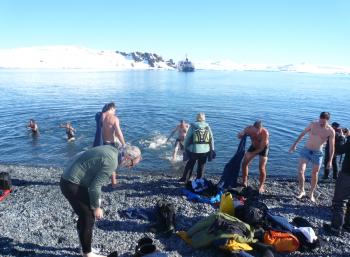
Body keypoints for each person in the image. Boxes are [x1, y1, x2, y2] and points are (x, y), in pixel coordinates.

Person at [60, 144, 141, 257]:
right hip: (71, 184)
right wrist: (97, 207)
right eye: (131, 164)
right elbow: (95, 187)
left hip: (69, 179)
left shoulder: (113, 150)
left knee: (84, 215)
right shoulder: (112, 162)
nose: (130, 167)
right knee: (89, 216)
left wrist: (95, 202)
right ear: (127, 157)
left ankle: (84, 247)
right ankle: (87, 253)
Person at [289, 112, 335, 202]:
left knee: (315, 174)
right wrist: (294, 145)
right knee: (301, 171)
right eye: (320, 121)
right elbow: (302, 134)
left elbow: (332, 147)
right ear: (319, 118)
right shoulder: (313, 124)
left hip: (317, 153)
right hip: (306, 150)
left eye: (323, 122)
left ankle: (311, 193)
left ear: (328, 121)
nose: (321, 123)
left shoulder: (330, 131)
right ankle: (302, 191)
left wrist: (330, 160)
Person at [323, 128, 350, 236]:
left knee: (340, 201)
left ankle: (335, 228)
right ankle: (347, 225)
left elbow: (339, 150)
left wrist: (342, 137)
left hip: (347, 174)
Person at [179, 113, 214, 182]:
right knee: (201, 165)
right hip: (205, 150)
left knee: (190, 164)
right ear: (204, 118)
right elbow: (211, 139)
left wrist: (185, 148)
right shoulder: (207, 126)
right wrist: (212, 150)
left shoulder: (193, 126)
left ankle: (185, 179)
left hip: (194, 150)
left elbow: (187, 138)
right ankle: (199, 179)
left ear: (197, 118)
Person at [237, 120, 269, 193]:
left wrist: (251, 154)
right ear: (252, 127)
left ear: (261, 128)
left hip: (263, 148)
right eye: (255, 131)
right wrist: (240, 135)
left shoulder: (265, 133)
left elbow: (261, 148)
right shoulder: (248, 129)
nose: (256, 133)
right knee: (244, 163)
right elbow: (239, 136)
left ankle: (261, 186)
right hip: (254, 146)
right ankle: (244, 181)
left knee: (261, 167)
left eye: (258, 131)